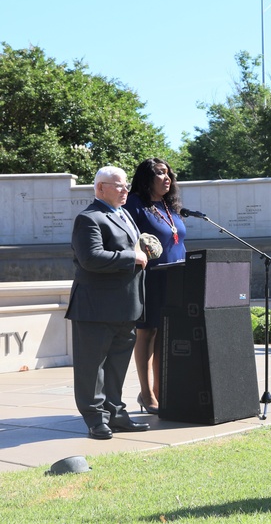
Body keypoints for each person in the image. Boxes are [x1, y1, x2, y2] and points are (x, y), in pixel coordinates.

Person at [66, 166, 150, 440]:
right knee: (92, 367)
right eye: (119, 185)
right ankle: (95, 419)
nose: (126, 190)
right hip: (95, 308)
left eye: (126, 186)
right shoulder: (88, 218)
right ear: (100, 188)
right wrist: (132, 258)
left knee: (116, 366)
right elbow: (90, 258)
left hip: (126, 305)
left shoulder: (123, 214)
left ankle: (116, 413)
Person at [124, 158, 187, 415]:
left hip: (175, 278)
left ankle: (161, 391)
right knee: (147, 333)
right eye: (160, 173)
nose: (167, 177)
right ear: (147, 178)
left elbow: (177, 240)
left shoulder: (169, 206)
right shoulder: (136, 204)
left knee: (165, 334)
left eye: (168, 173)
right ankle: (146, 393)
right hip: (149, 278)